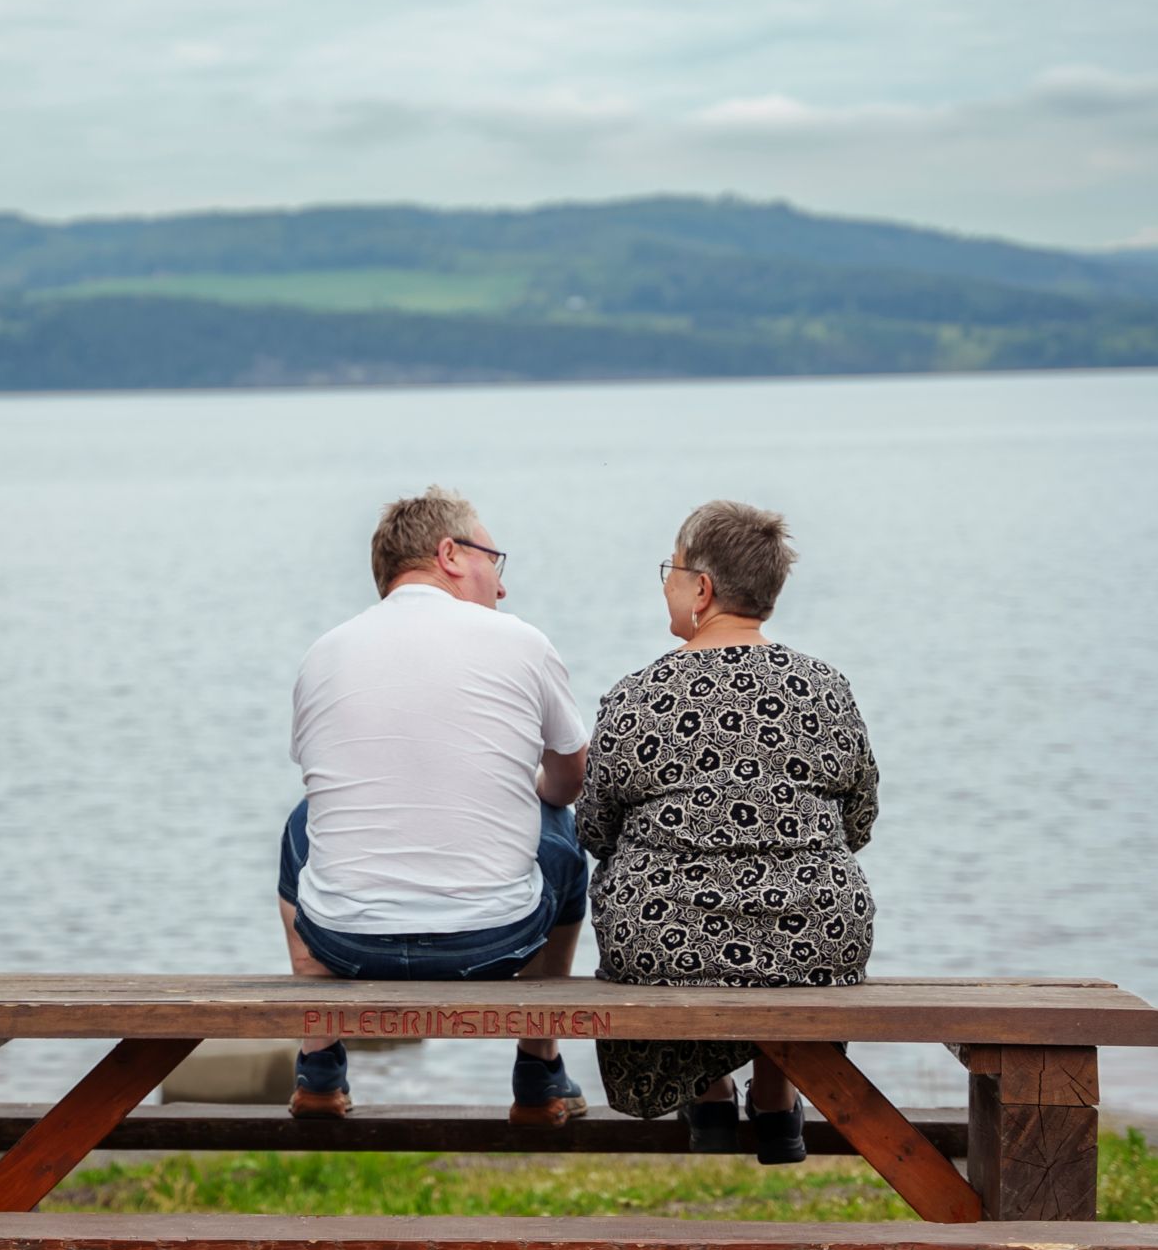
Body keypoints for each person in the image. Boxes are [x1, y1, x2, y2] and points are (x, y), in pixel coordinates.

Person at [576, 499, 878, 1163]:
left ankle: (707, 1092)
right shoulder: (826, 687)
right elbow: (857, 818)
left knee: (663, 913)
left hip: (663, 937)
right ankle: (774, 1097)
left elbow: (594, 827)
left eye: (672, 570)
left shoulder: (637, 694)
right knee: (783, 920)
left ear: (702, 588)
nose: (667, 584)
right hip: (814, 933)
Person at [279, 485, 591, 1124]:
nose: (500, 587)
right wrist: (522, 793)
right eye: (493, 560)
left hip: (345, 944)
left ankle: (319, 1067)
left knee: (301, 824)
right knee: (559, 826)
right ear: (449, 553)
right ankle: (538, 1069)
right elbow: (570, 780)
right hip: (493, 941)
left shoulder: (323, 653)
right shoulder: (521, 641)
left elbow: (323, 784)